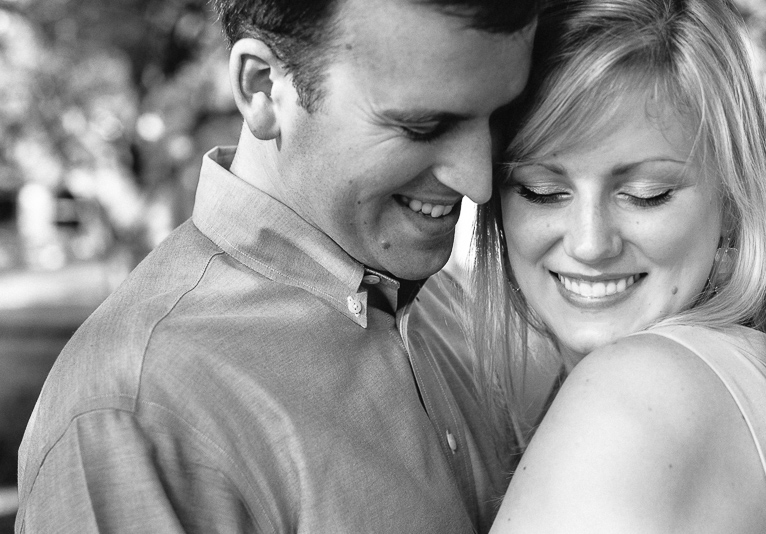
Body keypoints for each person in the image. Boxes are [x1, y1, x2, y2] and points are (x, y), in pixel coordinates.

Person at [15, 1, 537, 532]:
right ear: (264, 87)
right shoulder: (133, 413)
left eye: (501, 117)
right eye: (424, 126)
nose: (480, 181)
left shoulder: (452, 307)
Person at [468, 0, 766, 532]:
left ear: (733, 205)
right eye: (542, 191)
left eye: (646, 195)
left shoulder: (637, 386)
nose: (590, 243)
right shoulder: (751, 373)